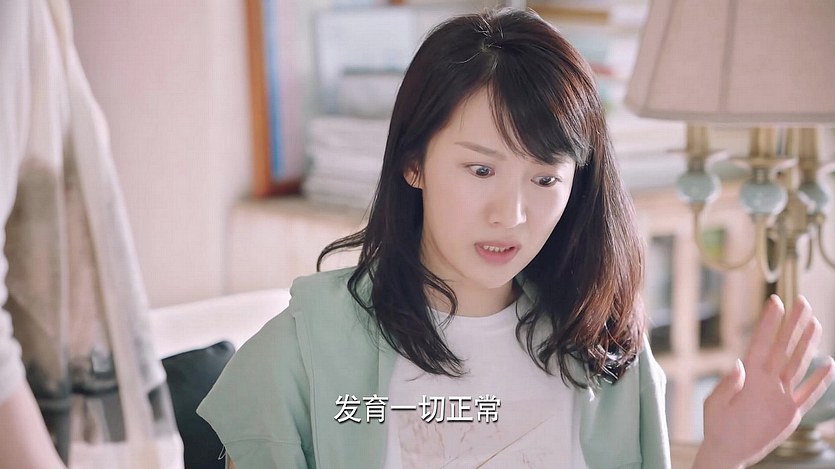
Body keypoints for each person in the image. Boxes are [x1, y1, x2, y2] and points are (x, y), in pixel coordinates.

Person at [197, 8, 834, 469]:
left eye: (544, 178)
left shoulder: (605, 351)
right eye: (481, 170)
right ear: (414, 163)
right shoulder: (304, 351)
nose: (513, 214)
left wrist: (722, 455)